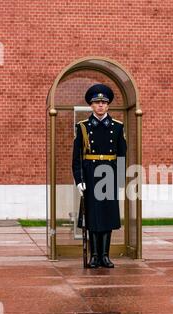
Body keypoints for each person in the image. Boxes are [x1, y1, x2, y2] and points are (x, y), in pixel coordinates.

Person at [72, 84, 127, 268]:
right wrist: (79, 180)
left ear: (108, 105)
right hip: (90, 174)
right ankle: (94, 256)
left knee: (108, 215)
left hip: (109, 174)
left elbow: (122, 155)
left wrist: (120, 179)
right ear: (91, 105)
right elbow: (77, 157)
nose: (101, 105)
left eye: (104, 102)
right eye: (97, 102)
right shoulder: (83, 127)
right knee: (93, 216)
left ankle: (105, 255)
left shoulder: (117, 127)